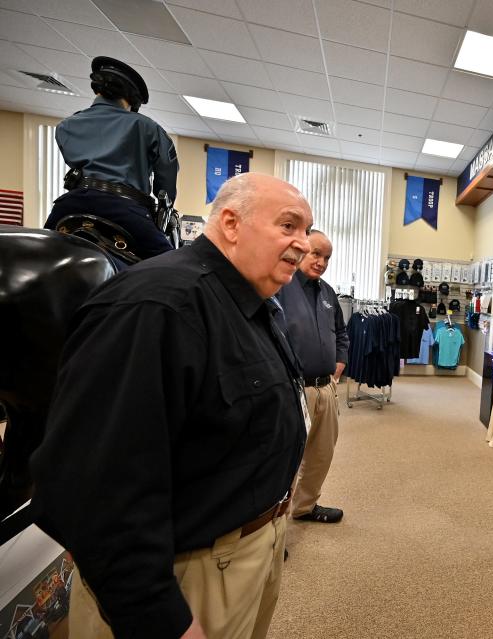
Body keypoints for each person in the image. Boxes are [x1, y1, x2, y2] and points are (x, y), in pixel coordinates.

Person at [30, 173, 312, 639]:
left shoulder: (251, 304)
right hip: (187, 577)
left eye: (306, 231)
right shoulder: (155, 305)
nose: (301, 244)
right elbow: (93, 491)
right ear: (230, 223)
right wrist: (160, 617)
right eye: (289, 226)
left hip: (250, 550)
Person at [43, 56, 179, 258]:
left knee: (41, 253)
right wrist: (164, 207)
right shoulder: (147, 127)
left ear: (97, 88)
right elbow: (166, 178)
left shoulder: (66, 125)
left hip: (69, 206)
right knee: (170, 267)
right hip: (125, 211)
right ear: (132, 99)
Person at [276, 231, 348, 523]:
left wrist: (338, 366)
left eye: (327, 257)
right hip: (294, 389)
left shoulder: (328, 293)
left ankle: (305, 507)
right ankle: (274, 525)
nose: (321, 262)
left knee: (321, 454)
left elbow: (341, 333)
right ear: (303, 250)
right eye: (316, 254)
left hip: (325, 389)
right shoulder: (281, 285)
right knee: (285, 458)